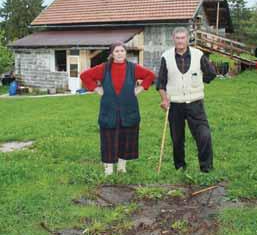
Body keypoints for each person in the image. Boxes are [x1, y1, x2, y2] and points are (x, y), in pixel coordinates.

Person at [80, 42, 155, 175]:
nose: (119, 53)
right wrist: (96, 89)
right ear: (112, 54)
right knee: (108, 138)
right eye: (116, 51)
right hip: (109, 110)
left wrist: (140, 89)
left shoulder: (133, 68)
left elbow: (150, 75)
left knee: (126, 138)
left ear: (126, 53)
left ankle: (121, 168)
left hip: (128, 109)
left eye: (122, 51)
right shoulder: (104, 68)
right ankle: (108, 169)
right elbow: (85, 76)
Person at [157, 26, 216, 173]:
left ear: (187, 39)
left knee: (204, 135)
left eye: (183, 38)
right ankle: (180, 167)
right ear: (173, 39)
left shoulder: (198, 55)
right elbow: (160, 83)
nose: (180, 41)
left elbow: (211, 74)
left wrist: (198, 80)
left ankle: (206, 167)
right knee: (177, 139)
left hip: (195, 103)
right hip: (175, 104)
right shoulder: (166, 56)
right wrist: (164, 99)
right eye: (177, 38)